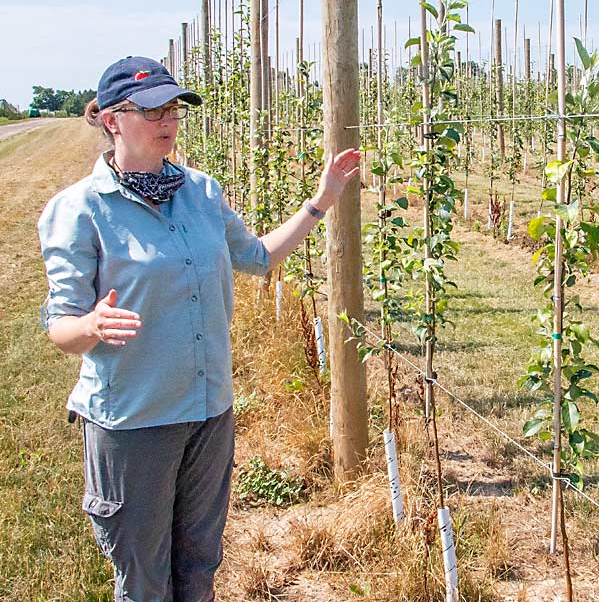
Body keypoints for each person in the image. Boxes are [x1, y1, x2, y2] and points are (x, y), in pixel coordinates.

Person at [36, 55, 360, 601]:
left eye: (173, 108)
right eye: (151, 110)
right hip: (134, 421)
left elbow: (258, 257)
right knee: (144, 579)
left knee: (199, 567)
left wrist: (321, 200)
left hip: (209, 414)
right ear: (112, 120)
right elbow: (60, 327)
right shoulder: (80, 210)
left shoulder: (201, 193)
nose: (167, 120)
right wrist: (90, 323)